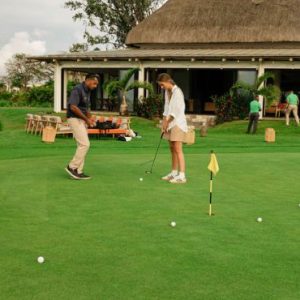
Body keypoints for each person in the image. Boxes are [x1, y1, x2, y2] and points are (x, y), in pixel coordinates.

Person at [65, 74, 99, 180]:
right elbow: (73, 107)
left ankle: (78, 171)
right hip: (74, 119)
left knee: (82, 144)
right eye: (94, 83)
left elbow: (85, 108)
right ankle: (72, 167)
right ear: (88, 81)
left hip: (80, 119)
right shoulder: (77, 89)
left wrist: (90, 118)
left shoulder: (87, 91)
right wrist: (86, 119)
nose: (95, 86)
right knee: (85, 144)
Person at [158, 73, 188, 184]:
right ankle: (174, 172)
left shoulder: (178, 92)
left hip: (178, 124)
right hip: (170, 124)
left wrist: (166, 122)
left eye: (162, 84)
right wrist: (163, 123)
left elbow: (175, 112)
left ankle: (182, 176)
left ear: (168, 81)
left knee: (178, 149)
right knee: (172, 148)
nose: (161, 87)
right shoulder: (167, 92)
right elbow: (166, 108)